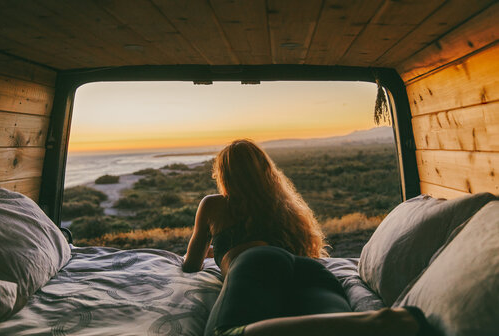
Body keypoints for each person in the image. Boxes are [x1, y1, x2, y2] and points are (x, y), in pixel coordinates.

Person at [182, 139, 435, 336]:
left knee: (223, 333)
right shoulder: (279, 204)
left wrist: (207, 250)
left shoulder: (213, 205)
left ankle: (384, 323)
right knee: (337, 326)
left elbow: (191, 265)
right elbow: (273, 252)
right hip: (309, 271)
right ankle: (385, 322)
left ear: (224, 174)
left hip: (254, 264)